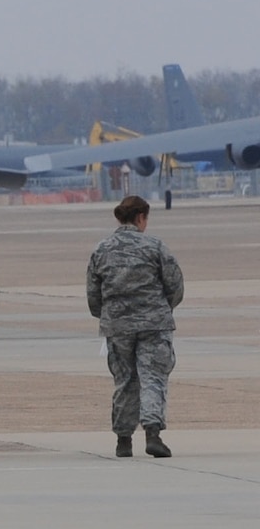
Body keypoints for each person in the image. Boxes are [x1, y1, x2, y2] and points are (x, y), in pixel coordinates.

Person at [87, 195, 184, 458]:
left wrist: (109, 315)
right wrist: (162, 309)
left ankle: (123, 440)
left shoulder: (102, 249)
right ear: (141, 217)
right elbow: (175, 286)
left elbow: (93, 296)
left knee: (125, 380)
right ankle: (152, 433)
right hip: (154, 323)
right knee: (153, 377)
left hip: (117, 325)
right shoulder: (155, 246)